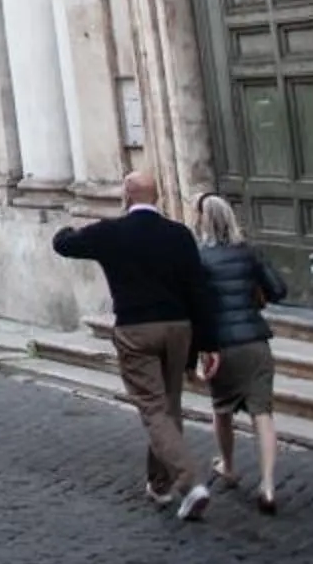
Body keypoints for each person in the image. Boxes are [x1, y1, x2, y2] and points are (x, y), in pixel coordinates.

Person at [51, 172, 222, 520]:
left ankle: (189, 482)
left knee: (153, 409)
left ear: (126, 196)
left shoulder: (111, 232)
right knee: (169, 406)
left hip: (136, 329)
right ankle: (159, 484)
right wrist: (207, 344)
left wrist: (67, 228)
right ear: (157, 197)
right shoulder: (179, 234)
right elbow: (198, 290)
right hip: (178, 327)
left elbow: (64, 244)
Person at [194, 194, 289, 515]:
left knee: (222, 410)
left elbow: (196, 304)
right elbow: (278, 290)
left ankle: (229, 466)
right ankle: (268, 485)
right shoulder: (249, 252)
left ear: (202, 222)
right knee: (263, 414)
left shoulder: (199, 258)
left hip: (221, 347)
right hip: (255, 342)